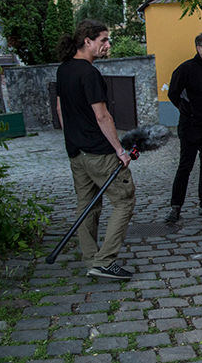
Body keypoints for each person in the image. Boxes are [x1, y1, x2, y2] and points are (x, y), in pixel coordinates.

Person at [56, 20, 136, 280]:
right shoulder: (89, 73)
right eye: (103, 39)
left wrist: (73, 137)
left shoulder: (64, 70)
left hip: (76, 151)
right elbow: (102, 116)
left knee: (87, 205)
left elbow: (60, 110)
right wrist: (120, 151)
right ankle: (104, 261)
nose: (107, 45)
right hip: (99, 152)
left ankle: (91, 258)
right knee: (124, 200)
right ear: (87, 41)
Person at [165, 32, 202, 223]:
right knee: (185, 166)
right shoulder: (186, 69)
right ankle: (176, 207)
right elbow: (173, 94)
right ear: (199, 48)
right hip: (191, 127)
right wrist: (189, 112)